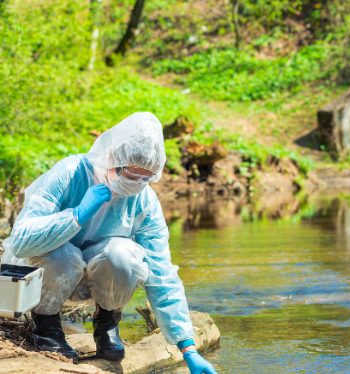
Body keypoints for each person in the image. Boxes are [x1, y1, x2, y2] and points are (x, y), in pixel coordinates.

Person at [1, 113, 217, 374]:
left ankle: (107, 324)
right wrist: (76, 215)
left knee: (123, 254)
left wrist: (188, 348)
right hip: (44, 276)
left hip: (97, 282)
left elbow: (161, 272)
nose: (136, 185)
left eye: (145, 178)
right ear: (111, 157)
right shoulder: (69, 173)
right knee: (61, 252)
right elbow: (23, 240)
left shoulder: (145, 201)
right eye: (130, 175)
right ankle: (46, 327)